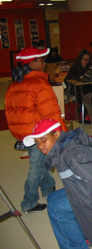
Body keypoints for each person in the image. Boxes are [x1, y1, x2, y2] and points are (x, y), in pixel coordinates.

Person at [23, 118, 92, 248]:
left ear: (57, 134)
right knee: (53, 198)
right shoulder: (68, 143)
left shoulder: (71, 155)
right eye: (37, 142)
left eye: (43, 139)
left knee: (56, 208)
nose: (40, 146)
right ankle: (80, 232)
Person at [5, 47, 68, 213]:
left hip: (23, 133)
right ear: (33, 63)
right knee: (37, 167)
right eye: (41, 60)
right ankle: (29, 202)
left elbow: (10, 112)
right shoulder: (39, 84)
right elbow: (51, 112)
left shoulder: (14, 84)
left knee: (39, 162)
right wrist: (63, 132)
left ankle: (48, 188)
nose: (44, 62)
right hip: (38, 134)